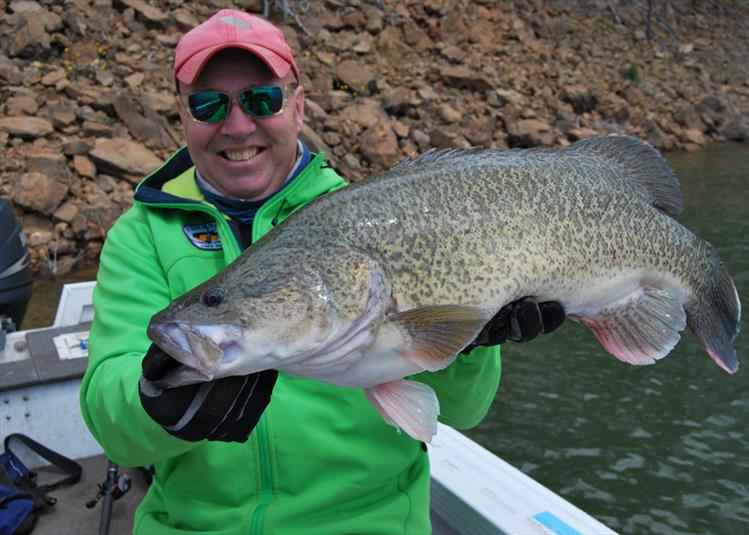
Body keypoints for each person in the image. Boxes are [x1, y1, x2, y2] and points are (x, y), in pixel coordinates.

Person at [79, 8, 564, 534]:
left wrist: (470, 344)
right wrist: (157, 403)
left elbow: (465, 410)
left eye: (262, 99)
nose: (238, 125)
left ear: (297, 105)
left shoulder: (373, 219)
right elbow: (115, 430)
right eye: (209, 104)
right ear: (183, 116)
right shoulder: (141, 235)